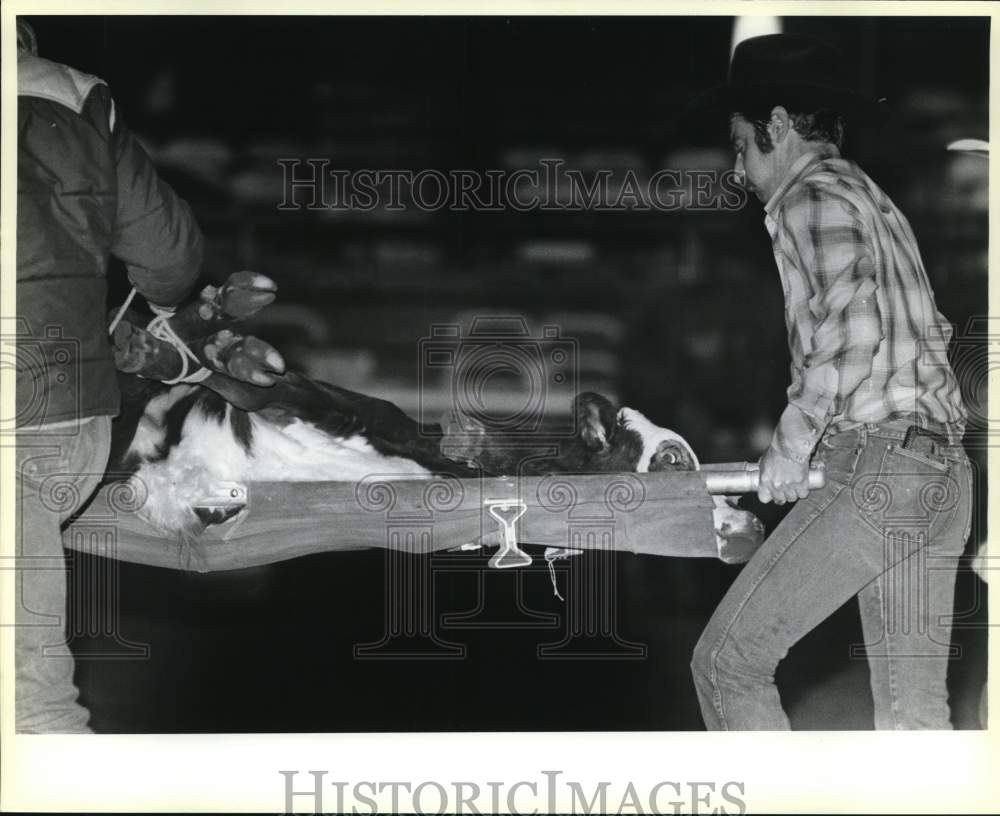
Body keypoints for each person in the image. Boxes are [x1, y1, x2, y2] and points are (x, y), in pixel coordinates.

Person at [689, 34, 972, 729]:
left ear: (778, 126)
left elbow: (850, 333)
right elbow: (923, 332)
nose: (737, 167)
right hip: (942, 477)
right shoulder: (872, 198)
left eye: (741, 145)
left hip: (882, 472)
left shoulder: (807, 197)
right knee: (913, 716)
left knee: (728, 663)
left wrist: (791, 445)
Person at [14, 19, 203, 732]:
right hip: (72, 427)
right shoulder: (79, 92)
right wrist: (153, 308)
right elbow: (170, 255)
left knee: (31, 700)